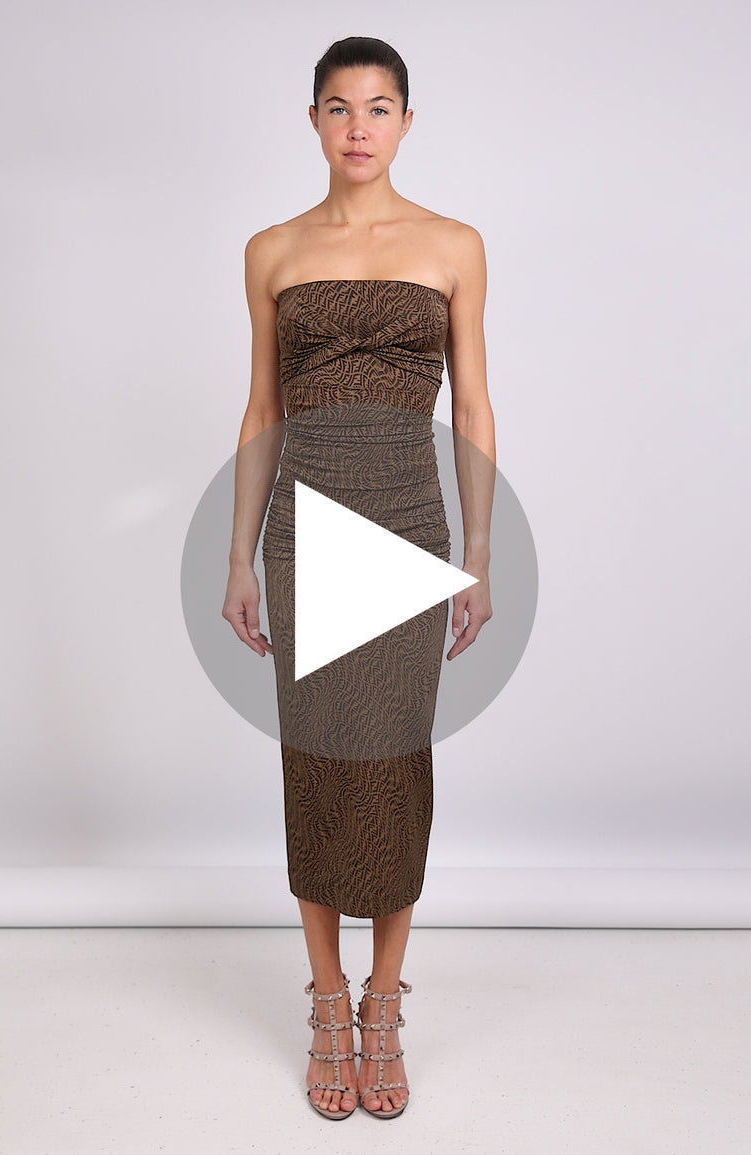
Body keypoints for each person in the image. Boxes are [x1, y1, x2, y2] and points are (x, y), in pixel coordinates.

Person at [222, 36, 495, 1120]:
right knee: (316, 759)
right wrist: (238, 557)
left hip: (408, 524)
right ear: (314, 119)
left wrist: (477, 555)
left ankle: (385, 1000)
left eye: (379, 108)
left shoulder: (454, 244)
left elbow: (472, 406)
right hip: (304, 528)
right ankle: (326, 1001)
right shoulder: (272, 250)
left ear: (406, 122)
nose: (358, 127)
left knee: (392, 761)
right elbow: (261, 409)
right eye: (339, 107)